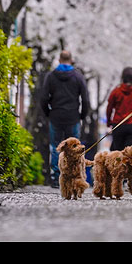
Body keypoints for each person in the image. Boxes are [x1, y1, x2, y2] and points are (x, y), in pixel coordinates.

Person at [40, 50, 91, 188]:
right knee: (76, 148)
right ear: (71, 60)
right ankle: (75, 176)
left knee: (56, 147)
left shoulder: (51, 76)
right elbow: (85, 99)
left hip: (55, 116)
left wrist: (48, 113)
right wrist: (82, 115)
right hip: (73, 116)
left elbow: (44, 98)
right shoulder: (78, 76)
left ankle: (57, 177)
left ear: (59, 59)